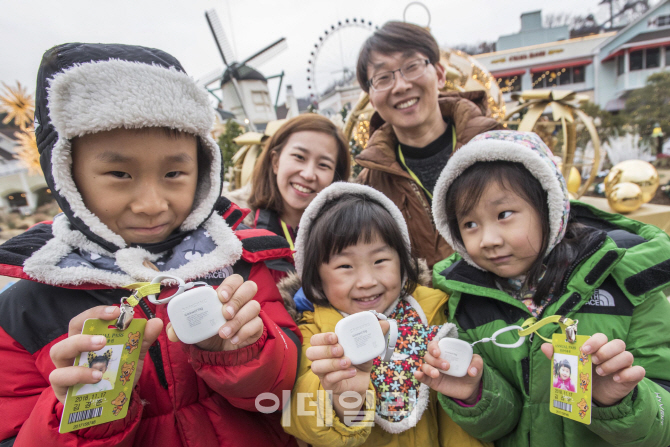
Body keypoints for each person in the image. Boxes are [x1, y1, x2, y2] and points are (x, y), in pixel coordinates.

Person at [0, 43, 301, 446]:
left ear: (204, 168)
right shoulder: (25, 308)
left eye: (175, 172)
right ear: (66, 174)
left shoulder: (241, 263)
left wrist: (246, 353)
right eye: (119, 174)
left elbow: (286, 395)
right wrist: (83, 414)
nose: (151, 204)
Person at [417, 130, 670, 446]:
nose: (488, 239)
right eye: (470, 224)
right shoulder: (466, 301)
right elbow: (500, 426)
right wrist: (475, 392)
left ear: (550, 208)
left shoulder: (624, 282)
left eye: (504, 214)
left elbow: (663, 423)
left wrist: (618, 401)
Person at [280, 183, 488, 447]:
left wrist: (472, 395)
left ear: (403, 263)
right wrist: (343, 399)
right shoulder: (314, 336)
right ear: (316, 277)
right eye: (345, 266)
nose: (367, 281)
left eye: (380, 261)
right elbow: (300, 417)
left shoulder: (434, 313)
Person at [354, 21, 501, 269]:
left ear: (440, 74)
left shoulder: (498, 147)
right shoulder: (368, 188)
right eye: (382, 78)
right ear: (371, 97)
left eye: (411, 67)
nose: (401, 86)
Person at [249, 114, 351, 251]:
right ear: (275, 162)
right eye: (299, 157)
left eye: (323, 165)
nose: (308, 175)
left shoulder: (350, 238)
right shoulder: (234, 235)